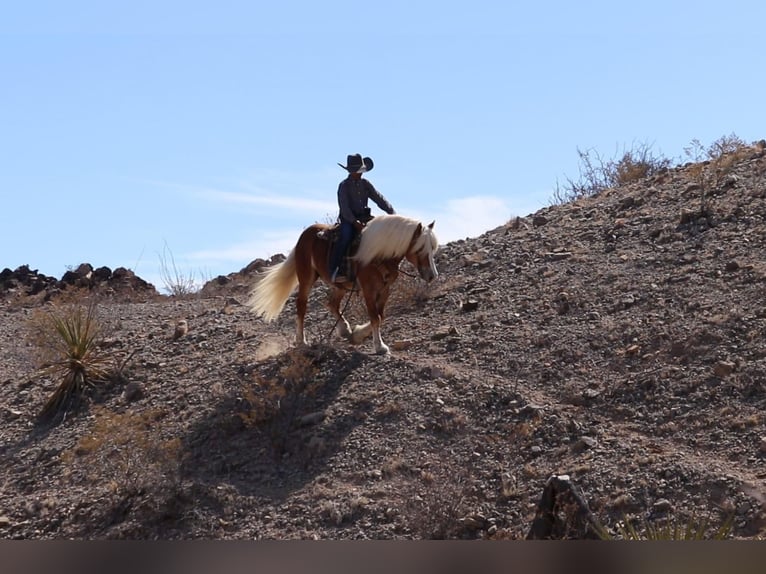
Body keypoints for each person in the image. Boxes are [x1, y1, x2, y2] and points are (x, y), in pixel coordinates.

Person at [329, 154, 395, 282]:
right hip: (348, 220)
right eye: (357, 171)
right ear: (351, 171)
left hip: (365, 217)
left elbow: (378, 198)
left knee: (380, 234)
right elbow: (344, 208)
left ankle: (381, 267)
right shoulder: (344, 186)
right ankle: (334, 269)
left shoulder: (365, 184)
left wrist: (392, 212)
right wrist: (354, 222)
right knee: (345, 237)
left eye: (360, 171)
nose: (360, 174)